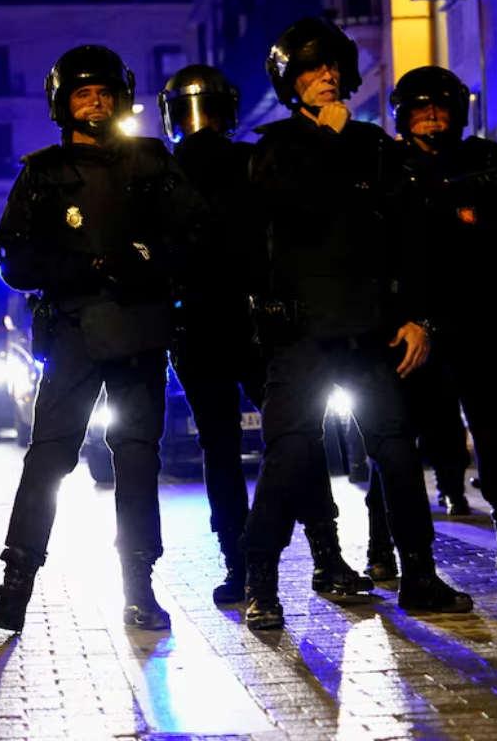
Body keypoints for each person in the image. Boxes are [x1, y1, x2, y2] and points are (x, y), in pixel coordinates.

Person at [242, 18, 473, 630]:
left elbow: (411, 240)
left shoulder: (375, 146)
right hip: (302, 332)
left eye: (333, 68)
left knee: (397, 453)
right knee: (287, 456)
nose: (327, 78)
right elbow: (288, 210)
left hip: (372, 329)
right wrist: (325, 142)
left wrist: (418, 318)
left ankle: (418, 575)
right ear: (291, 82)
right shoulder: (275, 149)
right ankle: (260, 582)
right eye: (312, 70)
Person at [0, 45, 203, 633]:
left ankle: (140, 588)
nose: (95, 102)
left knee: (136, 462)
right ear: (63, 103)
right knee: (48, 460)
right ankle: (14, 587)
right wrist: (88, 268)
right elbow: (13, 259)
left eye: (104, 92)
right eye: (83, 93)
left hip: (140, 330)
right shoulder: (43, 173)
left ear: (121, 96)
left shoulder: (153, 163)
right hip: (73, 331)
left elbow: (198, 234)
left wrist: (143, 258)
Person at [159, 65, 371, 604]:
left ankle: (241, 564)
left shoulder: (165, 169)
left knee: (226, 447)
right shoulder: (248, 157)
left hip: (205, 322)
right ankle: (324, 557)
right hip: (252, 319)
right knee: (294, 437)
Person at [364, 66, 497, 577]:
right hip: (412, 330)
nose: (431, 116)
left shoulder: (485, 164)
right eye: (420, 107)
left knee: (495, 436)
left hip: (480, 325)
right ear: (402, 115)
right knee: (397, 441)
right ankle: (382, 549)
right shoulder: (387, 168)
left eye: (440, 106)